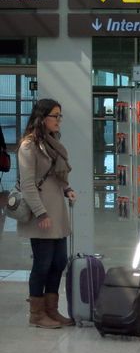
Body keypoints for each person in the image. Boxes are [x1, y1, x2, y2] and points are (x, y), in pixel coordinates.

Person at [17, 98, 77, 329]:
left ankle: (52, 310)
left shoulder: (52, 143)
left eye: (60, 116)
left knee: (59, 261)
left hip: (57, 212)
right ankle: (37, 314)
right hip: (40, 214)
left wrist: (68, 189)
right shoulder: (28, 146)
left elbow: (56, 176)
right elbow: (28, 184)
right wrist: (41, 213)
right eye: (55, 116)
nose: (59, 120)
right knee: (42, 264)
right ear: (42, 118)